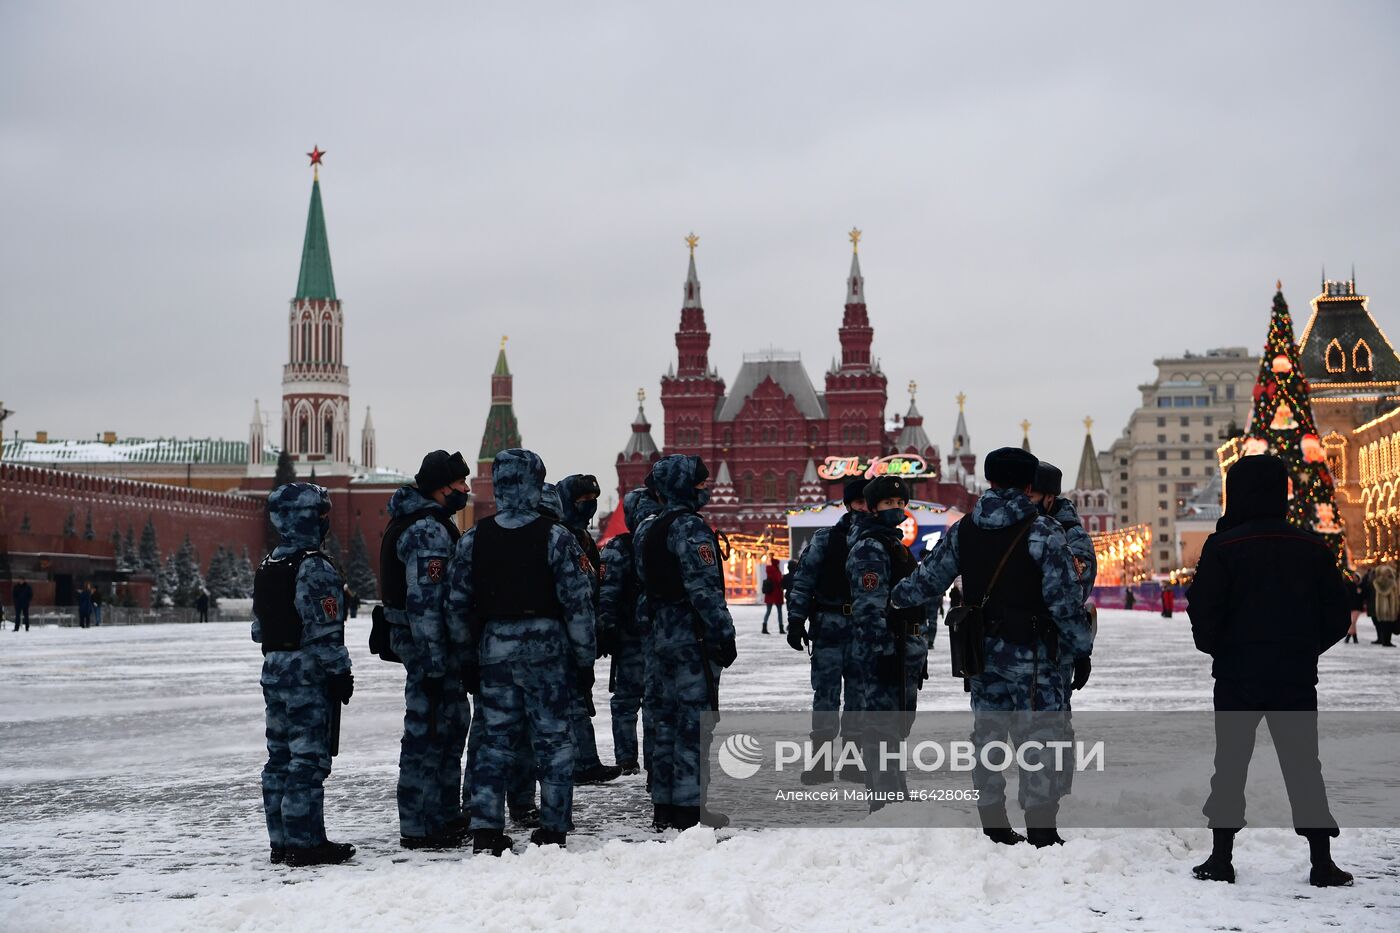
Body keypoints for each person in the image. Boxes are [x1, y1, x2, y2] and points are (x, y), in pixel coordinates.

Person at [891, 447, 1090, 848]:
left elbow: (925, 582)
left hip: (981, 653)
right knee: (1041, 738)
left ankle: (994, 823)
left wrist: (893, 597)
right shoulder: (1043, 532)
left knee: (988, 735)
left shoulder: (964, 530)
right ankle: (1041, 830)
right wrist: (1080, 647)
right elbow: (1064, 602)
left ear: (989, 481)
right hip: (1034, 655)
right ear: (1030, 485)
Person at [1186, 454, 1352, 888]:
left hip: (1238, 676)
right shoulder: (1312, 545)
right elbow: (1338, 613)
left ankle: (1221, 858)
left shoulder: (1223, 546)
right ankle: (1322, 861)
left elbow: (1203, 609)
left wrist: (1219, 648)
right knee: (1303, 767)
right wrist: (1305, 649)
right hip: (1294, 676)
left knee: (1230, 766)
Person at [446, 449, 597, 853]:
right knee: (553, 740)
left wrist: (466, 658)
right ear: (535, 483)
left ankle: (486, 828)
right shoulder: (556, 537)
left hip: (495, 649)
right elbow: (578, 604)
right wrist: (584, 661)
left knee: (494, 741)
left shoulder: (474, 539)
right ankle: (553, 826)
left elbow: (457, 605)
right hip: (547, 650)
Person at [252, 483, 356, 867]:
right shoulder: (314, 566)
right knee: (307, 761)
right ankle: (305, 842)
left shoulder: (270, 564)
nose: (326, 521)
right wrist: (339, 671)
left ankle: (281, 841)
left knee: (278, 757)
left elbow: (258, 629)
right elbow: (325, 629)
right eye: (322, 514)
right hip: (306, 673)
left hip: (274, 669)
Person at [636, 454, 737, 831]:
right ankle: (690, 807)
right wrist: (723, 635)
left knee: (664, 722)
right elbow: (704, 590)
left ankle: (664, 804)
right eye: (698, 484)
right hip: (691, 639)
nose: (704, 490)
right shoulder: (691, 528)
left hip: (659, 636)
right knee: (695, 723)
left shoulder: (647, 528)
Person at [380, 450, 471, 850]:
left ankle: (443, 814)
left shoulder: (423, 522)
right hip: (429, 650)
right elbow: (426, 603)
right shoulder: (426, 530)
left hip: (428, 647)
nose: (466, 490)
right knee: (428, 732)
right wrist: (434, 665)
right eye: (460, 484)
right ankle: (420, 823)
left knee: (448, 728)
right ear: (440, 488)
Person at [845, 475, 929, 807]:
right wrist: (880, 651)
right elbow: (868, 606)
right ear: (873, 507)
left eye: (900, 504)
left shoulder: (892, 544)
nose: (896, 509)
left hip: (902, 649)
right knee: (881, 727)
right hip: (885, 649)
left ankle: (895, 791)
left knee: (895, 725)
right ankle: (883, 797)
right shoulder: (871, 546)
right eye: (888, 504)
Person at [785, 477, 869, 785]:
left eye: (868, 503)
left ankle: (852, 763)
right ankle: (820, 765)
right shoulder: (825, 539)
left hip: (865, 632)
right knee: (826, 697)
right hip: (829, 629)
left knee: (859, 699)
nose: (865, 508)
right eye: (859, 503)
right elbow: (803, 581)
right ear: (848, 505)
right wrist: (796, 621)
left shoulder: (881, 542)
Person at [556, 473, 623, 785]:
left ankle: (585, 760)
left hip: (580, 632)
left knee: (579, 698)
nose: (591, 506)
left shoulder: (580, 536)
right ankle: (579, 763)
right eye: (583, 501)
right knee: (569, 701)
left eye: (593, 500)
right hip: (561, 636)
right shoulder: (560, 536)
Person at [598, 486, 663, 774]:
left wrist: (607, 629)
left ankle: (627, 760)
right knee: (654, 701)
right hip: (658, 635)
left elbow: (606, 593)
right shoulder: (665, 540)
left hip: (629, 637)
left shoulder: (618, 547)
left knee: (626, 701)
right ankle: (652, 760)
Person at [1028, 463, 1096, 707]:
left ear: (1049, 497)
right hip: (1009, 653)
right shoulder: (1017, 527)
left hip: (1052, 652)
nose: (1026, 502)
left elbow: (1074, 593)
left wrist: (1080, 650)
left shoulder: (1071, 535)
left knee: (1051, 737)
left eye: (1031, 496)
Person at [1369, 564, 1397, 647]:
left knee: (1383, 625)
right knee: (1388, 625)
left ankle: (1384, 641)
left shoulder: (1376, 582)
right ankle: (1387, 641)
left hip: (1380, 608)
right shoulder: (1391, 582)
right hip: (1390, 608)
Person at [761, 556, 785, 634]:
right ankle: (781, 628)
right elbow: (779, 582)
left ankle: (764, 627)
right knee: (779, 612)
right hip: (777, 594)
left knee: (768, 611)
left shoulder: (769, 571)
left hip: (769, 594)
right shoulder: (777, 572)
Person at [1344, 572, 1365, 644]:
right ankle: (1355, 638)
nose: (1354, 578)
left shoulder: (1362, 586)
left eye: (1356, 577)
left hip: (1358, 607)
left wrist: (1360, 593)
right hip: (1351, 606)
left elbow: (1364, 597)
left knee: (1352, 622)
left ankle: (1348, 637)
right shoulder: (1350, 585)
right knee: (1353, 623)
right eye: (1353, 577)